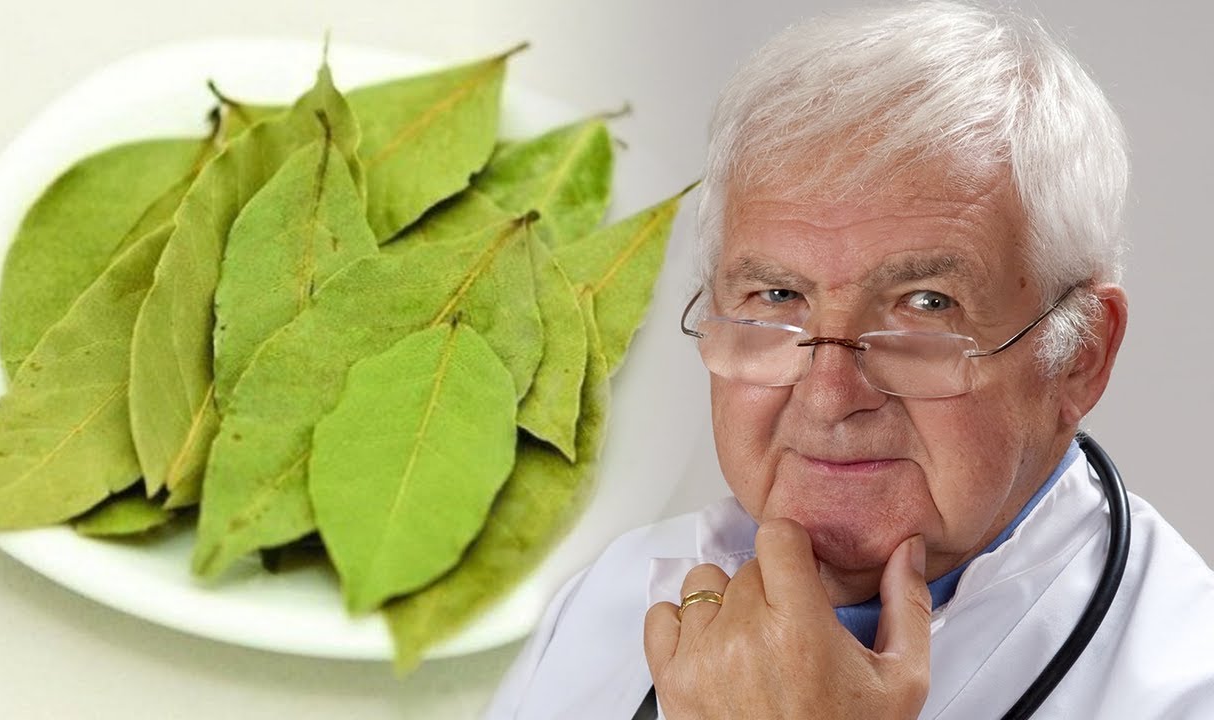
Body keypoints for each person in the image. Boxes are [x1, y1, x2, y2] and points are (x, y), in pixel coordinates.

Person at [486, 2, 1214, 718]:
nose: (829, 395)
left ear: (1080, 356)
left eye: (927, 304)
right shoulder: (609, 601)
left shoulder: (1187, 686)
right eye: (777, 295)